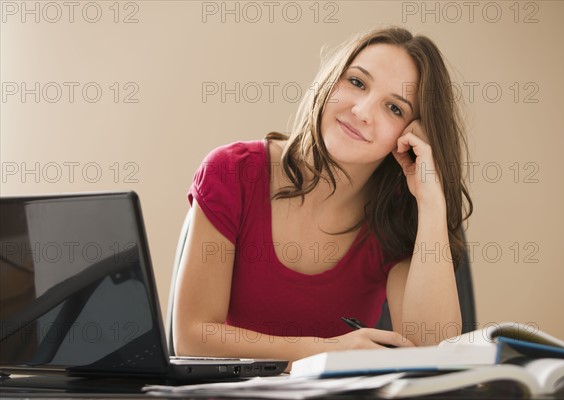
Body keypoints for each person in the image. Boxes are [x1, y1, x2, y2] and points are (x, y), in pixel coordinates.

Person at [173, 25, 473, 364]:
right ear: (330, 81)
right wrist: (327, 350)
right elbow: (193, 336)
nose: (362, 111)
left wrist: (431, 201)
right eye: (357, 82)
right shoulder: (232, 172)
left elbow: (432, 354)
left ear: (409, 136)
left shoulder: (397, 218)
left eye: (395, 108)